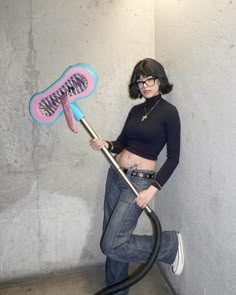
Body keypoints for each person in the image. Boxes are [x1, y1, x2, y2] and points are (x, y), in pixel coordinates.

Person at [89, 58, 184, 295]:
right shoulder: (135, 110)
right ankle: (116, 291)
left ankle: (169, 245)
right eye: (140, 81)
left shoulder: (169, 113)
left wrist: (152, 189)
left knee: (112, 243)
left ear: (159, 79)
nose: (145, 85)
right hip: (116, 175)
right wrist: (105, 144)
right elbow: (122, 144)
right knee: (113, 241)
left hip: (139, 182)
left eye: (149, 78)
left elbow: (173, 157)